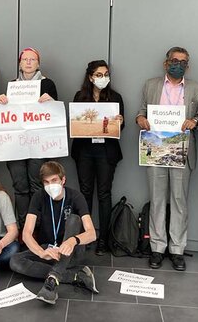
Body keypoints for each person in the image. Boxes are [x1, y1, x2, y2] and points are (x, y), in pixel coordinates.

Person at [135, 47, 198, 270]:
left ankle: (177, 249)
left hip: (182, 149)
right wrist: (140, 119)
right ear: (166, 63)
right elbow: (141, 111)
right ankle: (157, 248)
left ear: (188, 66)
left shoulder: (196, 88)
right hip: (155, 146)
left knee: (179, 201)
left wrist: (195, 121)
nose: (178, 64)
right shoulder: (151, 85)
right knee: (157, 200)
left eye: (183, 62)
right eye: (174, 61)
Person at [9, 161, 98, 305]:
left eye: (54, 180)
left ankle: (52, 281)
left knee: (74, 219)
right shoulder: (39, 197)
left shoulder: (76, 197)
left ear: (63, 180)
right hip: (50, 249)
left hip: (71, 251)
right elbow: (26, 233)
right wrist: (40, 252)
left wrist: (72, 240)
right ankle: (75, 276)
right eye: (46, 182)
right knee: (15, 261)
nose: (50, 185)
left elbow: (92, 233)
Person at [0, 47, 58, 231]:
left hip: (38, 144)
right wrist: (1, 102)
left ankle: (38, 228)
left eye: (33, 59)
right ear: (20, 63)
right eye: (25, 60)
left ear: (38, 63)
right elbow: (7, 112)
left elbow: (55, 116)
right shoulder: (12, 85)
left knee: (37, 185)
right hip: (15, 144)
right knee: (20, 186)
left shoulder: (48, 84)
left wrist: (52, 101)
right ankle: (24, 229)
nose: (29, 62)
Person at [70, 60, 124, 256]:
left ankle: (103, 239)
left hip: (106, 152)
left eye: (106, 74)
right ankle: (86, 236)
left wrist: (119, 122)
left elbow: (121, 127)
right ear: (91, 77)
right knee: (85, 193)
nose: (103, 78)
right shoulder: (80, 97)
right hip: (84, 151)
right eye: (99, 75)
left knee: (104, 194)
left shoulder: (115, 97)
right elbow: (75, 123)